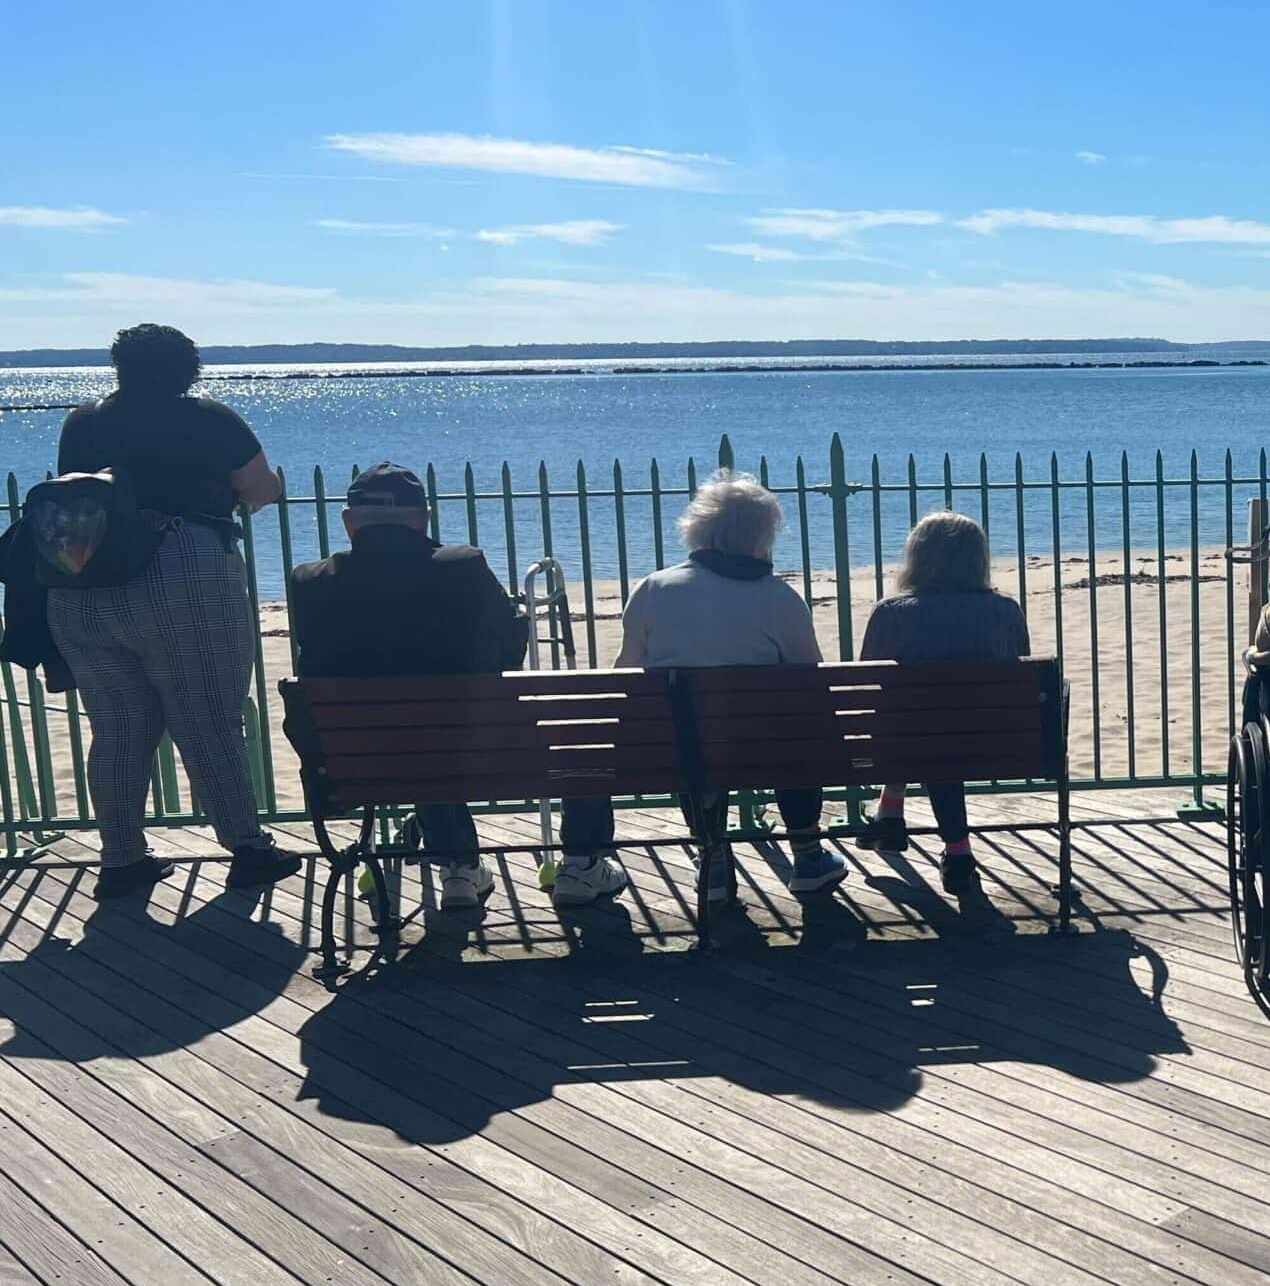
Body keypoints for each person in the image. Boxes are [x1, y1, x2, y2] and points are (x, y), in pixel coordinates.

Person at [46, 324, 298, 898]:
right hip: (182, 573)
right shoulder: (210, 418)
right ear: (190, 368)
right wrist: (265, 491)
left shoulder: (83, 421)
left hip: (85, 581)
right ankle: (246, 847)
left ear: (120, 366)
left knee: (116, 727)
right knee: (206, 715)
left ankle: (121, 859)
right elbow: (258, 487)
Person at [559, 471, 845, 923]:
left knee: (688, 733)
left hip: (678, 753)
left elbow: (625, 675)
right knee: (796, 720)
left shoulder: (656, 588)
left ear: (699, 530)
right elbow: (809, 684)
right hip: (766, 752)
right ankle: (807, 853)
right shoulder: (780, 598)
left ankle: (712, 857)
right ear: (762, 536)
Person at [285, 462, 567, 913]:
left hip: (356, 763)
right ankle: (472, 865)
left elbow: (315, 663)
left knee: (412, 738)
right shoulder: (464, 565)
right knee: (443, 732)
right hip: (477, 753)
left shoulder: (310, 581)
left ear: (348, 521)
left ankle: (456, 860)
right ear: (423, 518)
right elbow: (510, 645)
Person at [856, 511, 1029, 894]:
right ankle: (902, 821)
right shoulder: (1005, 611)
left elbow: (870, 688)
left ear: (916, 557)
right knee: (939, 722)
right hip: (997, 743)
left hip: (907, 741)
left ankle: (950, 846)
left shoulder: (892, 613)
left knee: (919, 719)